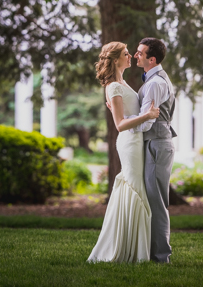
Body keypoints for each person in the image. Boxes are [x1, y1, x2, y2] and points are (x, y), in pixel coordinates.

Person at [87, 42, 160, 263]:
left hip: (136, 139)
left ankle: (130, 244)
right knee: (134, 187)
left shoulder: (123, 83)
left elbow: (126, 113)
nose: (131, 56)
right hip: (129, 142)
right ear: (116, 59)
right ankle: (129, 250)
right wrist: (147, 116)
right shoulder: (113, 87)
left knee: (134, 187)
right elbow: (119, 124)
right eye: (126, 54)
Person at [133, 37, 176, 264]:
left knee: (157, 202)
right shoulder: (154, 80)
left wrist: (123, 120)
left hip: (157, 144)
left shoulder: (155, 83)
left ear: (152, 59)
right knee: (153, 200)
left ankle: (161, 257)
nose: (135, 55)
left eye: (139, 53)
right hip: (155, 143)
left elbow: (146, 123)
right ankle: (152, 252)